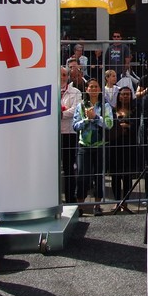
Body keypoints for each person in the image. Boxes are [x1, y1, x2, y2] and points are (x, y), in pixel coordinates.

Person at [73, 78, 113, 216]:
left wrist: (96, 117)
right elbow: (75, 125)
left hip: (100, 145)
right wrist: (87, 120)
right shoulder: (80, 106)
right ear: (87, 89)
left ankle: (97, 205)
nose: (94, 89)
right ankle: (80, 205)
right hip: (84, 146)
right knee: (82, 176)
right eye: (91, 87)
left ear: (100, 89)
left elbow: (109, 124)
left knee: (99, 176)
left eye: (96, 86)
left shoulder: (105, 106)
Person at [108, 86, 139, 213]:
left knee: (127, 176)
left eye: (128, 94)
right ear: (119, 96)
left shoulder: (135, 110)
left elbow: (137, 125)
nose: (125, 96)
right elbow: (110, 125)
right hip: (115, 146)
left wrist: (127, 126)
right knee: (115, 176)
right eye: (123, 94)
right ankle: (117, 201)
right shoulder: (112, 110)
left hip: (129, 146)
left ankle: (125, 202)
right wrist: (123, 125)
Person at [60, 66, 82, 204]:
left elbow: (76, 110)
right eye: (60, 74)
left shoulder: (75, 92)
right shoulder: (51, 89)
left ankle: (70, 200)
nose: (62, 77)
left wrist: (60, 113)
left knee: (69, 168)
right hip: (53, 135)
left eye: (64, 75)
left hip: (68, 133)